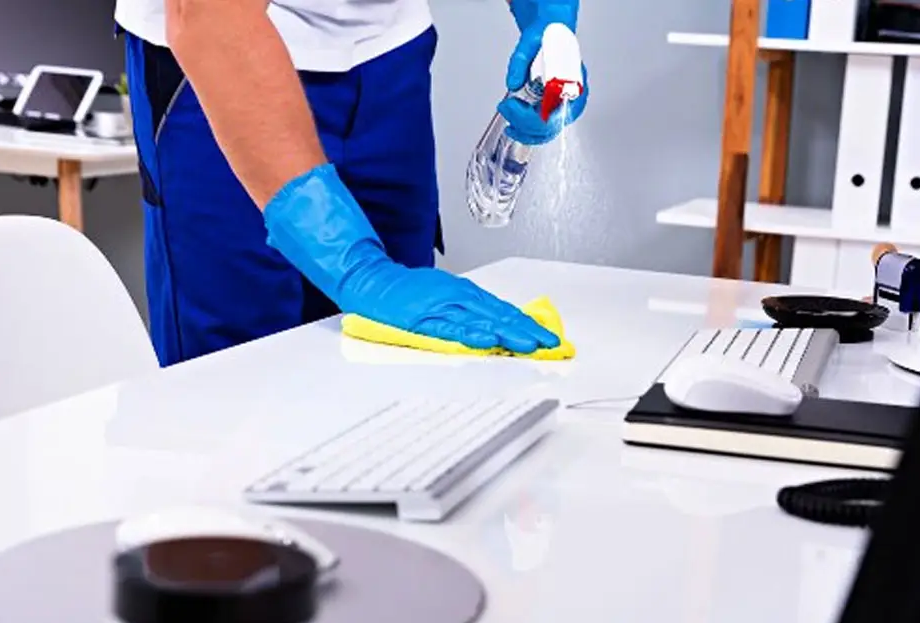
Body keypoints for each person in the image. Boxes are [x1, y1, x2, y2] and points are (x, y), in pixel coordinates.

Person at [113, 0, 589, 367]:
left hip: (388, 53)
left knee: (405, 360)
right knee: (236, 378)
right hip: (222, 57)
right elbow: (207, 19)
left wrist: (547, 19)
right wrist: (356, 266)